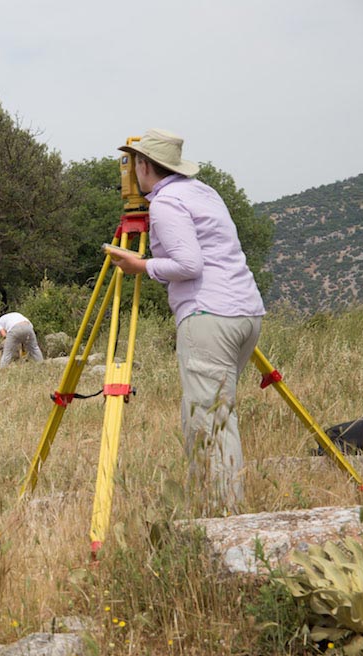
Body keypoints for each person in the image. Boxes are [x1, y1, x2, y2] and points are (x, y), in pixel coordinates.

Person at [109, 128, 266, 513]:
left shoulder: (167, 204)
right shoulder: (203, 193)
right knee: (208, 413)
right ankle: (209, 505)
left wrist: (140, 265)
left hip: (208, 314)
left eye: (133, 163)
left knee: (209, 423)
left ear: (144, 166)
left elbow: (189, 264)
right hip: (246, 313)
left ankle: (224, 518)